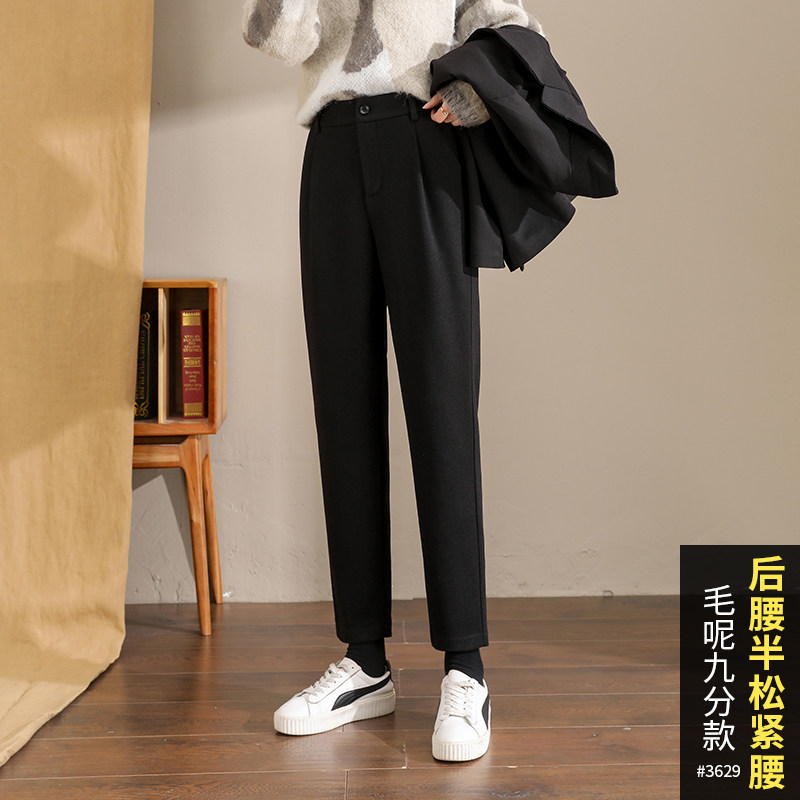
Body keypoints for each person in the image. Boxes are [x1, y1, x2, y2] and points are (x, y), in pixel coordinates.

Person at [242, 0, 544, 762]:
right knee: (342, 404)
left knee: (443, 407)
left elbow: (512, 23)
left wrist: (476, 93)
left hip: (426, 146)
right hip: (333, 149)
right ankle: (364, 660)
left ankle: (466, 667)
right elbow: (282, 38)